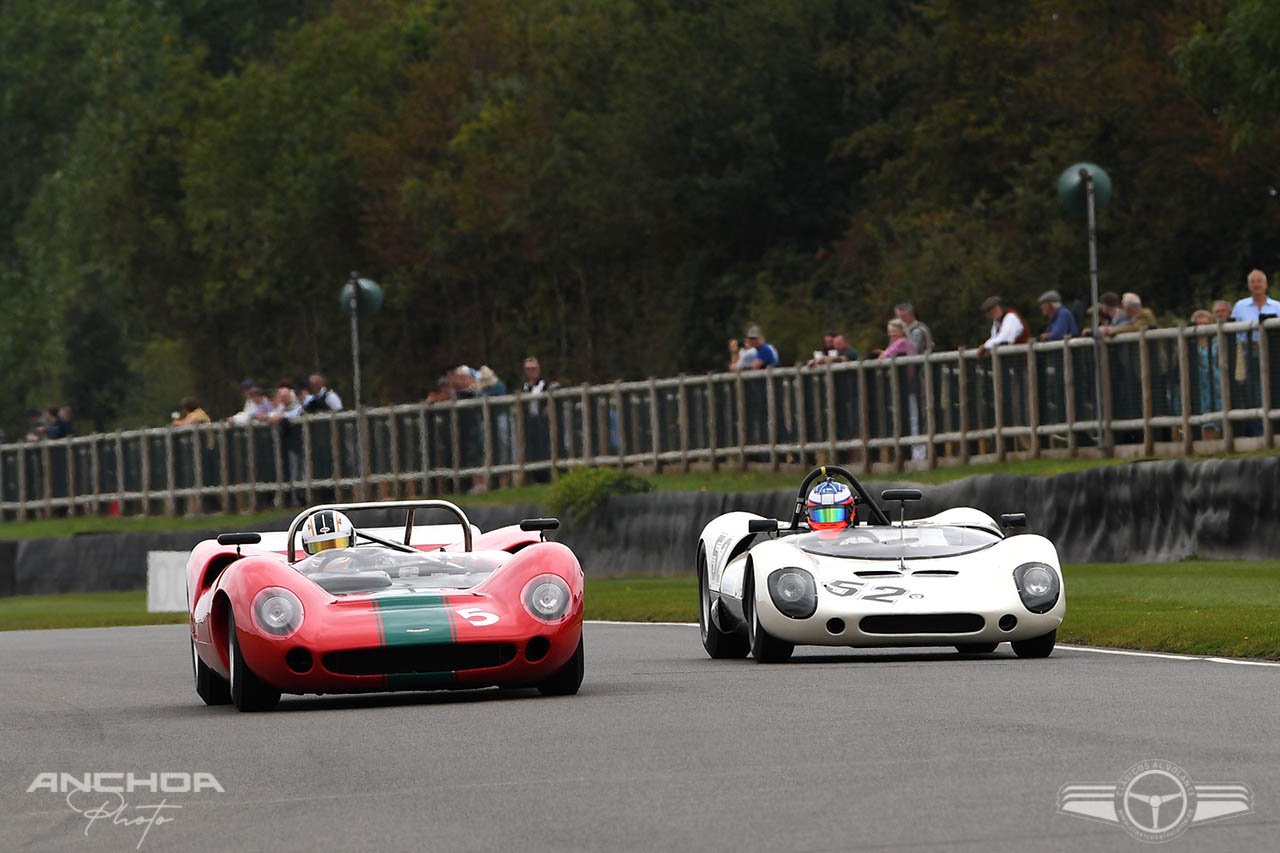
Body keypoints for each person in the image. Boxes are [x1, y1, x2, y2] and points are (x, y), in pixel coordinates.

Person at [879, 319, 924, 460]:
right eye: (889, 330)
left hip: (909, 387)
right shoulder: (897, 343)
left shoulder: (902, 342)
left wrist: (882, 354)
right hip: (904, 388)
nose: (891, 333)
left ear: (901, 331)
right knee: (909, 418)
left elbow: (884, 357)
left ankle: (917, 453)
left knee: (913, 419)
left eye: (894, 330)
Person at [1190, 309, 1221, 439]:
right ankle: (1207, 444)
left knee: (1219, 410)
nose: (1202, 326)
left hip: (1216, 382)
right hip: (1197, 384)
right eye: (1199, 323)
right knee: (1203, 415)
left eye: (1205, 323)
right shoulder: (1189, 343)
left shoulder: (1217, 342)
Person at [1230, 269, 1280, 342]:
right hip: (1248, 350)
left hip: (1274, 350)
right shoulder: (1240, 306)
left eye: (1259, 281)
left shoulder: (1277, 306)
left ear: (1266, 284)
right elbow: (1232, 331)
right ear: (1248, 286)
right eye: (1252, 282)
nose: (1256, 284)